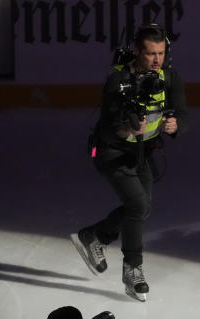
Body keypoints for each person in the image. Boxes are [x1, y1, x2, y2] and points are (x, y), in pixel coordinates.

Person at [71, 23, 188, 302]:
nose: (156, 59)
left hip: (141, 154)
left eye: (161, 53)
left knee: (141, 208)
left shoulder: (170, 78)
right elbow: (108, 126)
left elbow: (182, 113)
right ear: (137, 51)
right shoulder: (118, 80)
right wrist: (124, 129)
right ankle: (132, 270)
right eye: (150, 53)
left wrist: (175, 125)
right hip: (112, 153)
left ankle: (95, 235)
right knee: (138, 205)